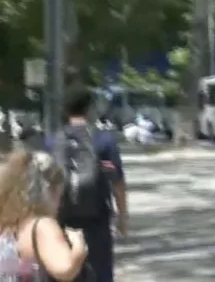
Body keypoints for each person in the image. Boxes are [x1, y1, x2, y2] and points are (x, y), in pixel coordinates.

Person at [0, 150, 88, 281]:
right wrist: (79, 246)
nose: (59, 205)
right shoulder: (41, 227)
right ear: (49, 190)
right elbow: (65, 270)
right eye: (59, 196)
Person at [53, 85, 128, 282]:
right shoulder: (104, 141)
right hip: (97, 222)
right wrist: (122, 217)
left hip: (61, 222)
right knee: (100, 273)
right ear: (90, 109)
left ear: (66, 110)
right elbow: (117, 183)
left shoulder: (52, 142)